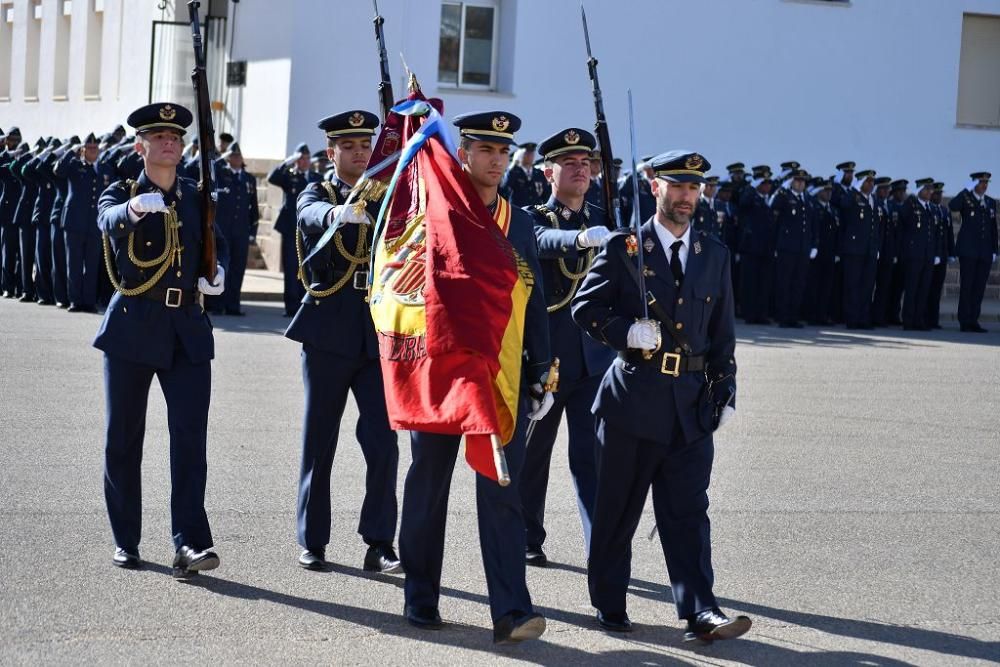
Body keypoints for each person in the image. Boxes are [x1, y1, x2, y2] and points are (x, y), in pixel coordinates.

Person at [573, 149, 751, 642]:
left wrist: (726, 389)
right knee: (617, 510)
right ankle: (609, 602)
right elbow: (585, 310)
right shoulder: (625, 247)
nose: (687, 198)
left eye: (694, 189)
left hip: (691, 406)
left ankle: (701, 611)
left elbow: (723, 332)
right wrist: (626, 331)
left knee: (689, 514)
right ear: (655, 187)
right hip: (633, 402)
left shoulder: (713, 254)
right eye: (677, 187)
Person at [399, 111, 552, 644]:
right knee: (428, 482)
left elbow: (534, 300)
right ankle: (420, 596)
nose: (496, 160)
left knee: (503, 489)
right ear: (463, 152)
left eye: (504, 152)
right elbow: (406, 285)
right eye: (486, 149)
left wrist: (540, 368)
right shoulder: (433, 210)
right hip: (443, 370)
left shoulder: (520, 222)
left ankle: (511, 611)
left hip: (501, 376)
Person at [95, 102, 229, 576]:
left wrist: (219, 274)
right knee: (123, 438)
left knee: (190, 440)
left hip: (187, 329)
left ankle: (190, 542)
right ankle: (125, 539)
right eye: (158, 136)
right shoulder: (121, 192)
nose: (169, 142)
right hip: (134, 322)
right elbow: (107, 222)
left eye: (175, 137)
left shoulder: (197, 195)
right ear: (141, 146)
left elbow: (219, 243)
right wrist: (132, 211)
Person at [286, 110, 401, 574]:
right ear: (331, 152)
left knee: (384, 443)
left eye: (365, 145)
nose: (358, 152)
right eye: (348, 146)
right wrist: (338, 213)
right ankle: (313, 540)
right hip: (328, 329)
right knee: (321, 440)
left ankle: (379, 542)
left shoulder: (388, 196)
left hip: (376, 332)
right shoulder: (322, 192)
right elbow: (307, 213)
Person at [520, 128, 615, 566]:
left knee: (592, 458)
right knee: (533, 455)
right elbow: (538, 242)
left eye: (585, 163)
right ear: (547, 172)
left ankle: (601, 545)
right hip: (547, 359)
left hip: (594, 360)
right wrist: (579, 240)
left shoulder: (603, 218)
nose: (580, 169)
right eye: (569, 163)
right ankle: (526, 534)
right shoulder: (532, 217)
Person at [54, 132, 117, 313]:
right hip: (74, 222)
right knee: (73, 263)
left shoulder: (104, 168)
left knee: (92, 263)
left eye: (95, 148)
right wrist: (70, 152)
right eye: (89, 148)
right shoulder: (74, 166)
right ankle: (75, 300)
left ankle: (88, 301)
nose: (93, 151)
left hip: (95, 224)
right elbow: (58, 170)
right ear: (82, 150)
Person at [268, 142, 317, 316]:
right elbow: (272, 177)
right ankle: (291, 307)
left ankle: (306, 305)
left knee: (309, 268)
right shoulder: (289, 176)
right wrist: (288, 161)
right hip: (291, 229)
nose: (304, 161)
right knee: (290, 269)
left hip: (310, 231)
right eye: (300, 158)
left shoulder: (315, 177)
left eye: (306, 158)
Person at [213, 141, 258, 315]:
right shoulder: (220, 174)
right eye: (232, 155)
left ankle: (233, 305)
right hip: (223, 232)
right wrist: (221, 158)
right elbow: (210, 168)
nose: (236, 158)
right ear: (228, 158)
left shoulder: (249, 179)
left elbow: (254, 209)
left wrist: (252, 232)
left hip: (241, 233)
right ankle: (217, 304)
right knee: (222, 267)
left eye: (238, 156)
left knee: (238, 269)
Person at [949, 172, 997, 333]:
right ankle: (964, 321)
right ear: (974, 184)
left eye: (986, 183)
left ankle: (974, 320)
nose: (984, 185)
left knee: (979, 288)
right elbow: (953, 206)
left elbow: (993, 228)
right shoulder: (966, 198)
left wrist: (994, 250)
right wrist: (965, 190)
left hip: (984, 252)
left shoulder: (989, 202)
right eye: (981, 182)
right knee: (967, 287)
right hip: (968, 251)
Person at [771, 169, 817, 328]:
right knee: (785, 283)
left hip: (803, 248)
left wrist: (814, 244)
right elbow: (774, 207)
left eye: (803, 181)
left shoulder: (808, 199)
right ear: (792, 182)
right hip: (787, 247)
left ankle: (793, 316)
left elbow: (812, 224)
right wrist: (782, 189)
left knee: (799, 283)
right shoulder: (784, 197)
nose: (801, 183)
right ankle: (783, 316)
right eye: (797, 180)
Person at [837, 168, 880, 329]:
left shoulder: (873, 200)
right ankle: (852, 319)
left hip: (869, 249)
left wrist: (876, 247)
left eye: (872, 182)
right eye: (867, 181)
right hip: (854, 249)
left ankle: (863, 318)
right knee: (853, 285)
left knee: (867, 286)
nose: (870, 184)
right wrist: (854, 188)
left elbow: (875, 226)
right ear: (860, 182)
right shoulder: (853, 197)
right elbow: (844, 205)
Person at [899, 178, 938, 331]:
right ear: (919, 190)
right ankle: (908, 321)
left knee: (923, 289)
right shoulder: (911, 205)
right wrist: (911, 198)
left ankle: (918, 319)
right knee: (912, 288)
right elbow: (902, 218)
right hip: (914, 255)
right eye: (926, 189)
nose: (930, 192)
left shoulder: (930, 208)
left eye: (931, 190)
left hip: (928, 256)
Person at [737, 165, 775, 324]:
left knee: (764, 283)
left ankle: (761, 314)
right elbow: (743, 203)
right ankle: (750, 314)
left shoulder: (769, 199)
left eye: (769, 183)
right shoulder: (750, 195)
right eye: (764, 183)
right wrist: (752, 187)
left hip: (766, 249)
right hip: (751, 248)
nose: (768, 186)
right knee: (750, 283)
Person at [501, 141, 549, 207]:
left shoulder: (539, 173)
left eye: (531, 153)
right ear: (519, 155)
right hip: (517, 211)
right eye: (526, 153)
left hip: (535, 212)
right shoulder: (513, 172)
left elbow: (546, 195)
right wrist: (513, 165)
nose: (530, 156)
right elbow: (504, 188)